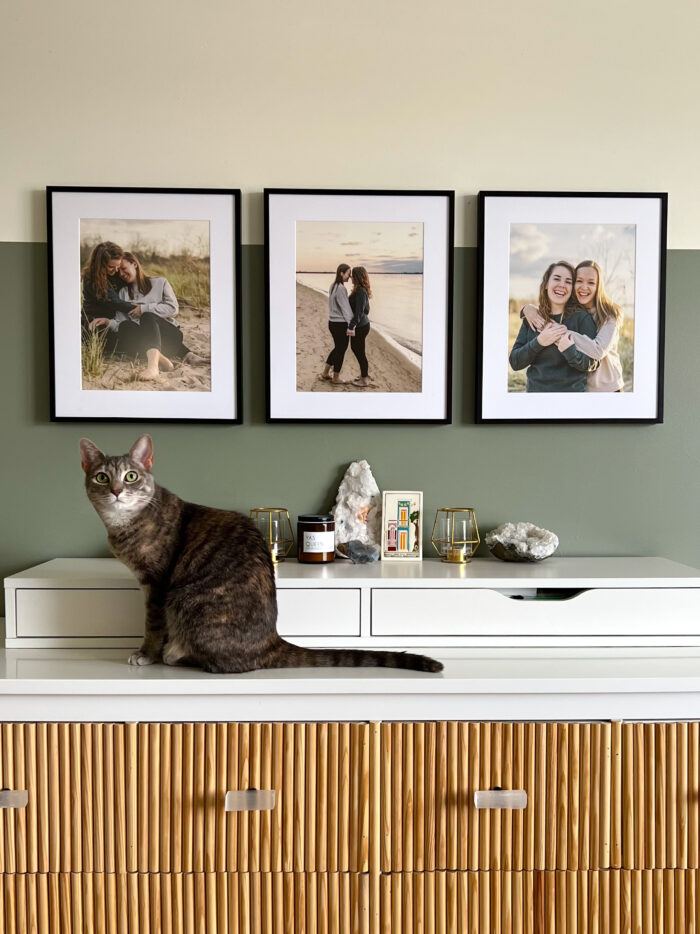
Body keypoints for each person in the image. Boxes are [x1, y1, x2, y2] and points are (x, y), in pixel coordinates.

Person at [520, 260, 624, 392]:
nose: (584, 287)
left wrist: (550, 328)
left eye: (591, 282)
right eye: (579, 281)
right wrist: (527, 309)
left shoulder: (610, 315)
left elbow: (598, 350)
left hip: (608, 389)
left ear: (599, 286)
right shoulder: (574, 312)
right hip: (584, 389)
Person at [509, 261, 598, 392]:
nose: (562, 285)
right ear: (546, 284)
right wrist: (539, 342)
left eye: (568, 281)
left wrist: (569, 351)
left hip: (571, 398)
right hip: (535, 396)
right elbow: (515, 362)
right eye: (557, 279)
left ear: (572, 289)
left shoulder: (581, 318)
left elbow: (593, 363)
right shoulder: (532, 318)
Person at [117, 251, 209, 378]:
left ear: (134, 264)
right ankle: (163, 358)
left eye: (123, 268)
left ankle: (153, 367)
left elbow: (173, 308)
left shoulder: (160, 282)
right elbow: (120, 320)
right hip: (145, 342)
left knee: (147, 316)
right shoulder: (123, 293)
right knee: (124, 326)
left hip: (170, 338)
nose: (121, 274)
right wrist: (106, 322)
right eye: (118, 271)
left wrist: (144, 308)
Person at [319, 264, 353, 384]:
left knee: (338, 348)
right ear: (341, 273)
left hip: (332, 323)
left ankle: (325, 373)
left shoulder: (333, 286)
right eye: (349, 273)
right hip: (340, 324)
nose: (350, 276)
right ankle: (336, 378)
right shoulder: (341, 289)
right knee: (341, 350)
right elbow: (346, 309)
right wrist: (351, 325)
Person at [346, 266, 372, 388]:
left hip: (361, 326)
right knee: (357, 350)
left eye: (353, 275)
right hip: (360, 325)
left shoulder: (361, 291)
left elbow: (360, 312)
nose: (350, 277)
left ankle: (365, 379)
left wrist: (351, 326)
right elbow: (366, 309)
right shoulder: (358, 290)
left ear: (357, 277)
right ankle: (363, 375)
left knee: (359, 351)